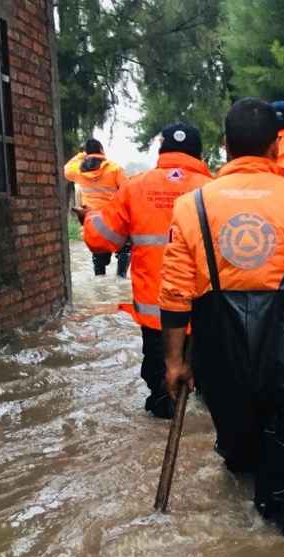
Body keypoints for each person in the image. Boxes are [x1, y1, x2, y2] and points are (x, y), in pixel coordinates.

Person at [159, 98, 284, 538]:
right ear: (275, 147)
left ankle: (241, 549)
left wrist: (175, 362)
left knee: (240, 459)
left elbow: (175, 292)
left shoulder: (191, 206)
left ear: (225, 146)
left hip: (221, 354)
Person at [75, 124, 213, 419]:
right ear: (198, 153)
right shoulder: (215, 189)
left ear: (161, 151)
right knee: (211, 398)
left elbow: (102, 239)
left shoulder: (135, 187)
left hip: (158, 317)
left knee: (164, 394)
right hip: (207, 313)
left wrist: (90, 217)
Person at [64, 139, 130, 276]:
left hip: (92, 221)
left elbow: (66, 169)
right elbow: (128, 191)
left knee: (99, 253)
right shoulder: (114, 168)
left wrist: (81, 155)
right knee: (124, 249)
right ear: (101, 150)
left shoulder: (78, 170)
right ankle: (121, 277)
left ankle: (100, 279)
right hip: (113, 217)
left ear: (86, 152)